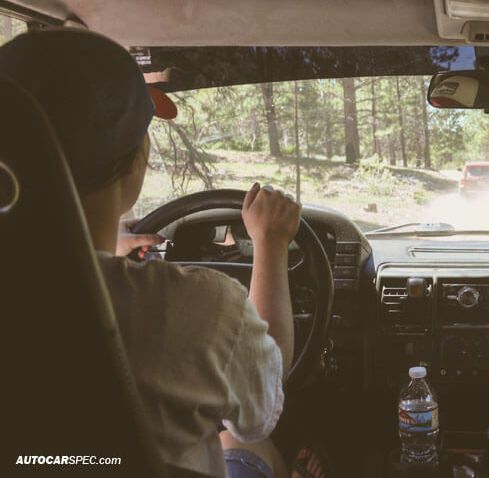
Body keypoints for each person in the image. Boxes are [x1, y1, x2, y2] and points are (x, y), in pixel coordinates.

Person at [0, 29, 303, 478]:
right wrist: (271, 245)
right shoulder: (200, 306)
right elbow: (261, 402)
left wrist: (104, 258)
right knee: (244, 440)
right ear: (136, 159)